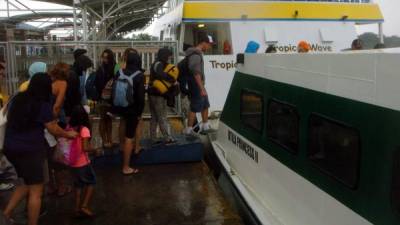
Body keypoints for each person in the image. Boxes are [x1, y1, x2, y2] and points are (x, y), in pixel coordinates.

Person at [2, 73, 77, 225]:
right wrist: (68, 134)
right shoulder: (42, 104)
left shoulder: (18, 98)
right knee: (36, 191)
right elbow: (53, 129)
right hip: (30, 150)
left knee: (24, 183)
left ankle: (6, 214)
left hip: (10, 148)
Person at [112, 52, 145, 175]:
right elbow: (141, 98)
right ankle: (126, 167)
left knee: (122, 123)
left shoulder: (119, 72)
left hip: (120, 106)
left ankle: (121, 147)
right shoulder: (139, 75)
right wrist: (139, 112)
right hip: (132, 109)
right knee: (129, 137)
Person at [66, 105, 96, 218]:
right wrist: (95, 150)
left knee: (78, 186)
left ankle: (76, 208)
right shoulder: (84, 129)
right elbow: (85, 148)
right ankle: (84, 206)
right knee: (91, 182)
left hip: (72, 163)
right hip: (83, 163)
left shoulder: (69, 127)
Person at [47, 63, 71, 197]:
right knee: (59, 154)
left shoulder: (50, 82)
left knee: (49, 155)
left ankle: (51, 185)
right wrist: (53, 119)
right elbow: (57, 106)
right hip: (53, 121)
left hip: (43, 122)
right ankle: (62, 187)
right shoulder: (62, 84)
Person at [183, 32, 214, 135]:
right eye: (209, 44)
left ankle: (205, 126)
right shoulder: (195, 55)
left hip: (199, 84)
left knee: (205, 104)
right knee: (195, 107)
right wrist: (201, 88)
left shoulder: (198, 53)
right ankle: (189, 130)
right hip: (196, 85)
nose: (209, 47)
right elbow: (196, 73)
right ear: (204, 43)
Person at [148, 48, 176, 144]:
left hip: (152, 93)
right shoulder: (158, 64)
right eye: (168, 56)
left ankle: (153, 138)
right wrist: (171, 78)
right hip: (157, 94)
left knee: (154, 117)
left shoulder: (156, 63)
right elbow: (160, 74)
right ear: (164, 55)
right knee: (162, 116)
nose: (169, 59)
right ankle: (168, 137)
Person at [96, 49, 116, 149]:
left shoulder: (113, 68)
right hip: (103, 99)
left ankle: (110, 139)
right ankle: (104, 141)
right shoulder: (101, 69)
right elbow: (98, 85)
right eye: (103, 57)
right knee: (103, 119)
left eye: (106, 57)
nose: (104, 60)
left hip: (111, 99)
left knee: (109, 119)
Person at [64, 49, 89, 118]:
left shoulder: (75, 69)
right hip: (77, 101)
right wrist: (84, 103)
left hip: (76, 100)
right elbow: (81, 88)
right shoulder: (79, 70)